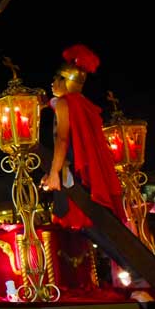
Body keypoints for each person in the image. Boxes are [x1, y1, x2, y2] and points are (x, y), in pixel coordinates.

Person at [39, 44, 125, 229]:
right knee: (95, 228)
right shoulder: (82, 104)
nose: (52, 82)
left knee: (81, 228)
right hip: (86, 174)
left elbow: (62, 140)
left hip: (72, 174)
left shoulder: (64, 103)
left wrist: (54, 173)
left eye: (56, 78)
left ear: (66, 81)